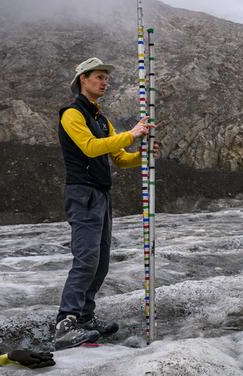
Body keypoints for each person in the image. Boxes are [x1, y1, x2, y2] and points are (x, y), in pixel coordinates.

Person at [53, 57, 158, 350]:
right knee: (86, 259)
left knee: (100, 262)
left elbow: (121, 158)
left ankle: (85, 317)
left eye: (105, 78)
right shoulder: (72, 114)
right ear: (82, 79)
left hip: (100, 194)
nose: (104, 82)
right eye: (99, 77)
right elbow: (89, 147)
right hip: (82, 193)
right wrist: (131, 134)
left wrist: (143, 155)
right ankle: (66, 323)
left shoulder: (101, 119)